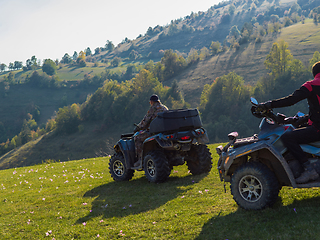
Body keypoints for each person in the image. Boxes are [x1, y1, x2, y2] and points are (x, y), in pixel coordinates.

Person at [258, 61, 320, 184]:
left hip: (318, 129)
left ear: (314, 74)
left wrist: (269, 104)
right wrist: (304, 118)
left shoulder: (311, 85)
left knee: (288, 137)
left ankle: (308, 169)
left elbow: (291, 100)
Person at [133, 94, 168, 167]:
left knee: (137, 138)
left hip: (154, 132)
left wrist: (138, 128)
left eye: (150, 102)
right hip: (165, 131)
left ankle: (140, 160)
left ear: (151, 102)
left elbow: (145, 121)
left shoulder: (153, 109)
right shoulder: (165, 108)